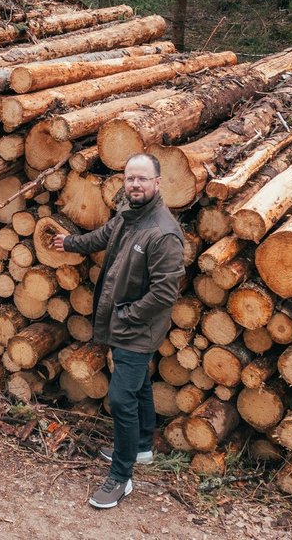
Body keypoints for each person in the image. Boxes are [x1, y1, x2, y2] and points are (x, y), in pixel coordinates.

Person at [49, 153, 185, 509]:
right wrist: (70, 243)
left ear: (158, 183)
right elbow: (103, 235)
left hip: (137, 327)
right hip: (125, 322)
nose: (135, 184)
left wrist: (127, 316)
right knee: (138, 387)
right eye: (130, 178)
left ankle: (121, 477)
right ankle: (141, 447)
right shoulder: (128, 214)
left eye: (142, 179)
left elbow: (165, 293)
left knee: (122, 398)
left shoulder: (163, 232)